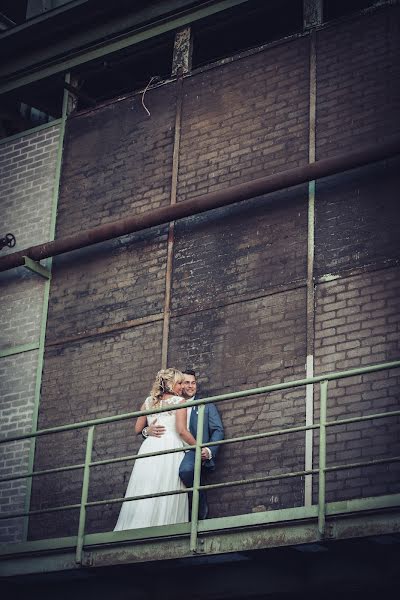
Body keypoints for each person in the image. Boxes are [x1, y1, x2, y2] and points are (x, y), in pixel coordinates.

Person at [114, 368, 197, 530]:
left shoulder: (148, 402)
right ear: (169, 384)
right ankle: (166, 527)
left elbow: (138, 429)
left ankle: (138, 527)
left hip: (149, 447)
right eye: (179, 383)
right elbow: (182, 431)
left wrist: (147, 431)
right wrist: (198, 445)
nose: (182, 387)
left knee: (148, 485)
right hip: (170, 446)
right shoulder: (180, 403)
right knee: (167, 485)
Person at [141, 369, 224, 520]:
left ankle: (198, 508)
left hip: (192, 450)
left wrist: (208, 450)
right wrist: (146, 430)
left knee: (185, 471)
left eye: (193, 383)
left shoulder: (205, 406)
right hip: (170, 449)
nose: (190, 386)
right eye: (185, 383)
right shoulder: (168, 402)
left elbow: (218, 430)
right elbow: (152, 425)